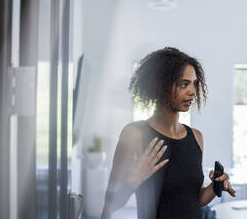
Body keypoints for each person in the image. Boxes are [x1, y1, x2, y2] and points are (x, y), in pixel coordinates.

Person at [101, 47, 236, 219]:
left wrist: (215, 187)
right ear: (161, 86)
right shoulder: (135, 134)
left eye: (194, 84)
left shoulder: (196, 137)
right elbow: (109, 206)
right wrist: (133, 179)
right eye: (183, 84)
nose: (192, 92)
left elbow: (195, 200)